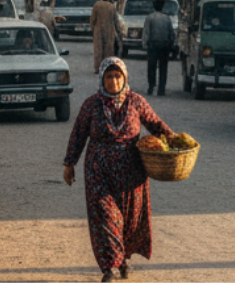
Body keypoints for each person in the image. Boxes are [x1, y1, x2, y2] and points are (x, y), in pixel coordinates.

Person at [63, 58, 174, 282]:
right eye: (109, 77)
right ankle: (109, 268)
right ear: (102, 79)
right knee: (105, 217)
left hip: (131, 172)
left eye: (117, 77)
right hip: (98, 170)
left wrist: (176, 142)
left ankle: (122, 258)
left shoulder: (136, 102)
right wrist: (69, 164)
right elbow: (78, 135)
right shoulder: (92, 104)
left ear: (124, 78)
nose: (113, 81)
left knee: (129, 220)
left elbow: (156, 125)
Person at [143, 0, 175, 96]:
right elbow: (171, 34)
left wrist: (144, 45)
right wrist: (172, 45)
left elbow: (146, 33)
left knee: (151, 67)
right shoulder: (167, 18)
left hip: (153, 46)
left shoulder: (150, 18)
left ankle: (151, 86)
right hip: (164, 46)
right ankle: (161, 88)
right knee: (163, 68)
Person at [90, 0, 117, 75]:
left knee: (98, 49)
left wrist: (92, 28)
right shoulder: (111, 6)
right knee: (108, 49)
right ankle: (108, 66)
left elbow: (93, 18)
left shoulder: (97, 5)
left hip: (98, 29)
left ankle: (98, 67)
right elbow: (115, 19)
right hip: (110, 29)